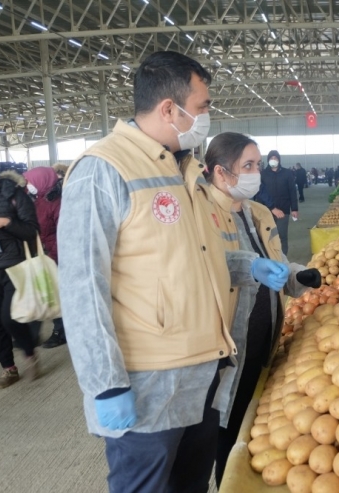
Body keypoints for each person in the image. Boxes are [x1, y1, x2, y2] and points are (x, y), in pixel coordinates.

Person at [58, 51, 240, 492]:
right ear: (168, 109)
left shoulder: (186, 169)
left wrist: (250, 266)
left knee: (190, 486)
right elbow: (83, 285)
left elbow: (195, 255)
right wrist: (104, 384)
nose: (205, 117)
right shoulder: (103, 169)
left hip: (202, 375)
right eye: (201, 108)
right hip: (147, 385)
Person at [202, 132, 319, 487]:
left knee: (242, 428)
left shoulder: (258, 212)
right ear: (221, 173)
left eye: (258, 164)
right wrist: (249, 268)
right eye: (248, 166)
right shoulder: (202, 214)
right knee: (222, 427)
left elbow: (276, 265)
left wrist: (301, 276)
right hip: (227, 343)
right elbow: (205, 267)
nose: (258, 173)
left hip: (262, 335)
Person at [0, 148, 40, 389]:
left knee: (9, 318)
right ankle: (8, 369)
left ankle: (30, 352)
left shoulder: (13, 194)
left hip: (14, 267)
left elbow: (32, 230)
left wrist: (5, 222)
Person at [23, 167, 66, 348]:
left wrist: (53, 256)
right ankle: (31, 334)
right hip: (40, 253)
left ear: (41, 181)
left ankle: (60, 331)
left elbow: (61, 232)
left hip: (53, 254)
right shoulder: (36, 199)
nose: (28, 185)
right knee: (42, 293)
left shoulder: (56, 202)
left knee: (54, 294)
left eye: (31, 182)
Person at [260, 150, 298, 255]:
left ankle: (283, 258)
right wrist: (268, 208)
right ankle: (271, 257)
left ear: (279, 160)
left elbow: (292, 191)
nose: (273, 160)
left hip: (283, 210)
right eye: (271, 158)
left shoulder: (287, 173)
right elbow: (260, 192)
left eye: (275, 158)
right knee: (268, 235)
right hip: (267, 211)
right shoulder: (263, 174)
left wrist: (294, 208)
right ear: (268, 160)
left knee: (282, 235)